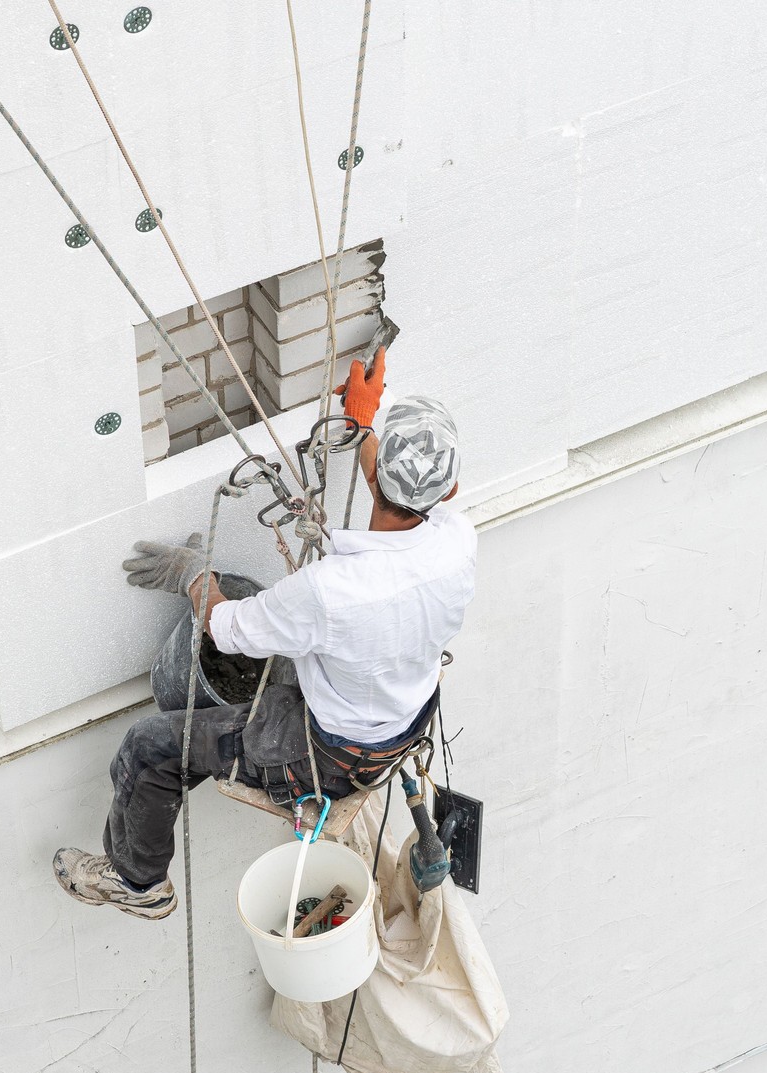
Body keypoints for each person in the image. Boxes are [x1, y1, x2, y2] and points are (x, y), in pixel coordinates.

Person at [53, 352, 476, 919]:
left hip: (327, 755)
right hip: (400, 717)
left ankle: (138, 880)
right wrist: (364, 417)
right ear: (448, 492)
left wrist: (192, 575)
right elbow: (400, 496)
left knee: (150, 747)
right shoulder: (457, 543)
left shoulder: (332, 591)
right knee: (253, 689)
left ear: (370, 473)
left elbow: (227, 631)